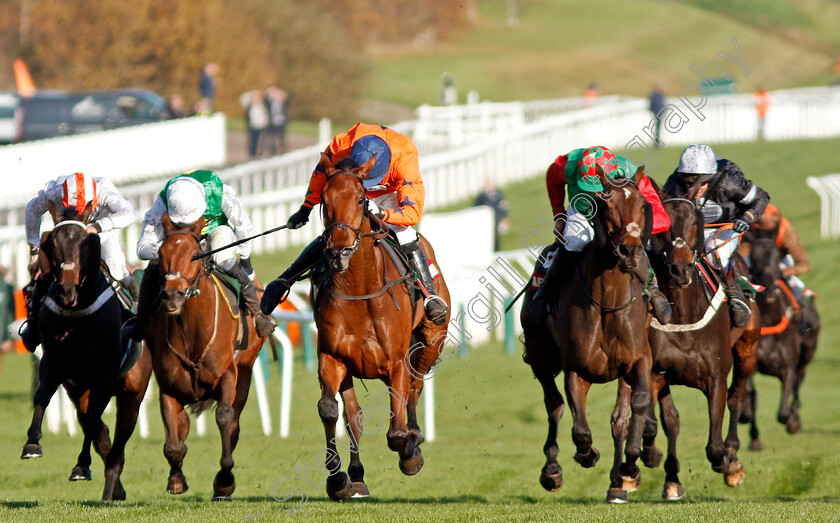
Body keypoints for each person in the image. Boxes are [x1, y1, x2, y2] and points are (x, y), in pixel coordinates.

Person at [259, 122, 448, 325]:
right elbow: (321, 174)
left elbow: (412, 213)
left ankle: (430, 295)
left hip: (388, 194)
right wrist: (306, 208)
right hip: (351, 187)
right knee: (336, 232)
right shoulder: (341, 146)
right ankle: (283, 281)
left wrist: (383, 213)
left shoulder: (404, 156)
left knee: (403, 232)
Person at [122, 170, 276, 341]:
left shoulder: (220, 192)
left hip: (215, 229)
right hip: (177, 236)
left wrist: (246, 260)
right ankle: (140, 320)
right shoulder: (163, 202)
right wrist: (167, 252)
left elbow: (243, 225)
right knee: (153, 265)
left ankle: (258, 315)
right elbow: (143, 247)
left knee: (223, 259)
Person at [529, 145, 673, 325]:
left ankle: (653, 289)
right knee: (572, 242)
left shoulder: (632, 173)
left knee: (631, 245)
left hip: (617, 220)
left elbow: (662, 218)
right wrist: (558, 214)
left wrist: (634, 228)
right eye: (589, 186)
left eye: (599, 188)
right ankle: (545, 290)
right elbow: (552, 177)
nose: (596, 192)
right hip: (583, 212)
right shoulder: (568, 164)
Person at [21, 173, 137, 351]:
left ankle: (135, 310)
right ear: (64, 198)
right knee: (43, 272)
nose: (79, 213)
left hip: (99, 231)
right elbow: (32, 210)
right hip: (67, 236)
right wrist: (34, 251)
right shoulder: (53, 192)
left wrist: (98, 227)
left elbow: (129, 213)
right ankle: (33, 319)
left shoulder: (104, 190)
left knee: (116, 269)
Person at [663, 144, 769, 327]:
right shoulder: (675, 182)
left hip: (724, 227)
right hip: (690, 231)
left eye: (701, 181)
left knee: (713, 251)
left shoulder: (730, 181)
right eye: (688, 180)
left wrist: (746, 217)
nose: (695, 186)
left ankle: (735, 295)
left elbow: (761, 197)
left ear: (711, 176)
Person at [742, 204, 812, 302]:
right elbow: (741, 254)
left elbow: (804, 264)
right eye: (757, 228)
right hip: (755, 260)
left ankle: (803, 310)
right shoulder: (750, 226)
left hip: (780, 260)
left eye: (763, 230)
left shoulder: (786, 232)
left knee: (797, 287)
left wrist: (787, 272)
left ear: (775, 221)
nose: (756, 227)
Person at [473, 178, 510, 251]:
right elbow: (475, 210)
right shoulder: (481, 198)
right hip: (485, 223)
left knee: (496, 239)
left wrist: (505, 218)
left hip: (496, 220)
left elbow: (503, 206)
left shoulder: (498, 195)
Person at [240, 90, 269, 158]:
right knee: (253, 139)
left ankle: (259, 152)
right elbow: (242, 97)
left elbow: (265, 115)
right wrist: (252, 92)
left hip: (261, 125)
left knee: (261, 140)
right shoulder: (250, 105)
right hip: (253, 125)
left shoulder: (263, 105)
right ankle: (252, 153)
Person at [264, 86, 289, 155]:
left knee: (280, 137)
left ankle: (281, 151)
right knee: (270, 138)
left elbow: (287, 97)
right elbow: (265, 97)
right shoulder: (269, 103)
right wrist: (270, 91)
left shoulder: (283, 103)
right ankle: (271, 151)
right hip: (272, 122)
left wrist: (279, 92)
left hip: (281, 122)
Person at [0, 265, 16, 354]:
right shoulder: (7, 289)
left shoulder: (7, 288)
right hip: (3, 335)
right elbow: (11, 314)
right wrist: (8, 338)